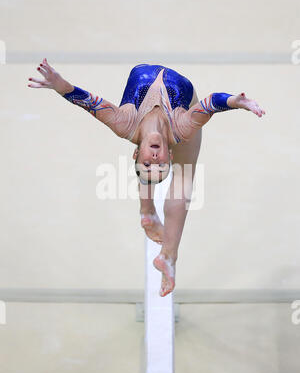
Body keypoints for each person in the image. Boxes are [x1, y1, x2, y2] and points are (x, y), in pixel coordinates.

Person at [28, 60, 265, 297]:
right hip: (183, 97)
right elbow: (211, 103)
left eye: (147, 162)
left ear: (136, 152)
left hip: (142, 80)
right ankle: (169, 256)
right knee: (184, 175)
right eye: (161, 163)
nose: (154, 157)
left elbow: (86, 101)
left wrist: (60, 85)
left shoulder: (123, 122)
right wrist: (236, 102)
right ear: (169, 154)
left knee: (162, 174)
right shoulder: (182, 127)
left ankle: (147, 210)